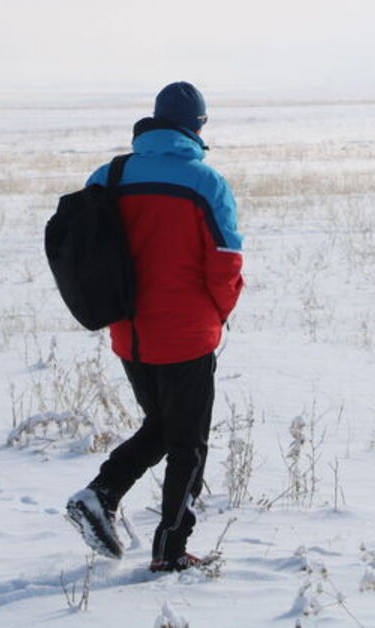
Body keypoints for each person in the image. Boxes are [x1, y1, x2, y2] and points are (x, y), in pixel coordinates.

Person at [65, 81, 244, 573]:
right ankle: (169, 549)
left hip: (129, 335)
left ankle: (101, 495)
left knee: (163, 428)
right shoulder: (206, 183)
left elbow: (85, 250)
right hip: (188, 335)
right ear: (198, 127)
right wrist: (219, 313)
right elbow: (226, 263)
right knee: (187, 444)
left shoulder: (109, 174)